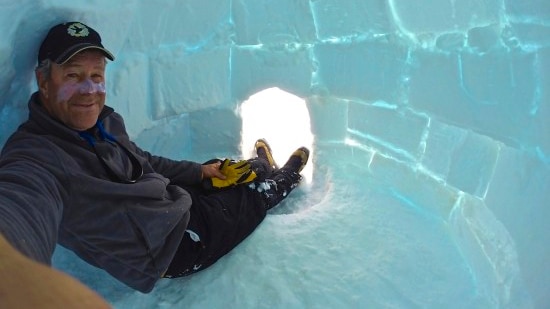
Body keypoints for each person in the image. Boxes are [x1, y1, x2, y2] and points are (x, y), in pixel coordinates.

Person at [0, 20, 309, 299]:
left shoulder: (104, 122)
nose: (89, 89)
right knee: (248, 200)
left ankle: (260, 167)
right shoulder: (36, 155)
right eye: (73, 75)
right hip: (173, 246)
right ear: (44, 81)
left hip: (170, 200)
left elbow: (142, 159)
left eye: (96, 75)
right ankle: (284, 177)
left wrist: (200, 172)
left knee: (221, 169)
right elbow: (21, 207)